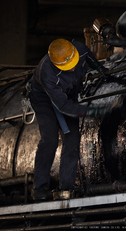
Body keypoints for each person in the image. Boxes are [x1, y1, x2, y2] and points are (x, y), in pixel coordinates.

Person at [29, 38, 106, 201]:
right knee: (49, 140)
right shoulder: (47, 73)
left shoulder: (80, 48)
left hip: (68, 93)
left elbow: (90, 57)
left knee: (72, 138)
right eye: (67, 67)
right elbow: (64, 107)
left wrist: (99, 67)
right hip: (42, 97)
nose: (71, 70)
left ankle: (66, 188)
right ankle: (40, 187)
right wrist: (89, 111)